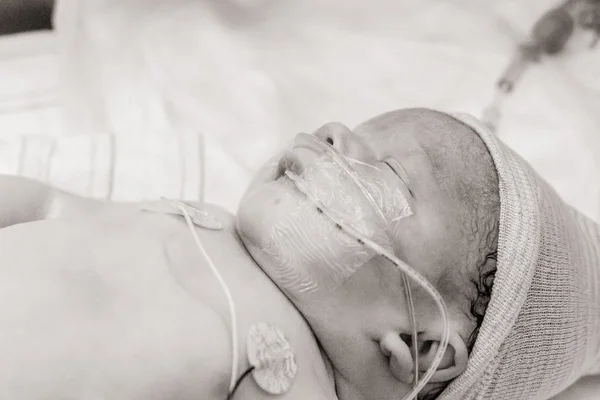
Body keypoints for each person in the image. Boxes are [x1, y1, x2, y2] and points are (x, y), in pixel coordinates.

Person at [0, 108, 597, 400]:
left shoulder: (292, 383)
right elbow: (52, 207)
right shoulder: (199, 219)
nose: (336, 132)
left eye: (383, 169)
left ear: (418, 348)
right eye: (357, 127)